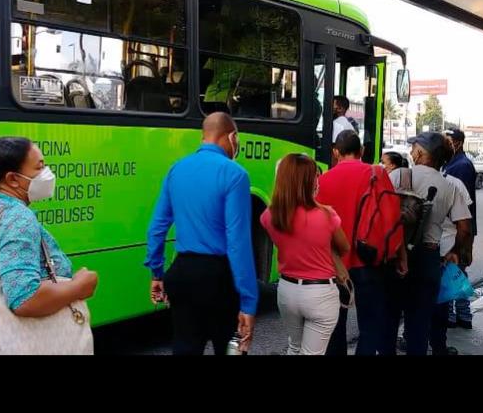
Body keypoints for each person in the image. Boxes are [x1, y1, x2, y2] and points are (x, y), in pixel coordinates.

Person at [0, 136, 98, 355]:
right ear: (13, 179)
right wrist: (80, 286)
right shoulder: (17, 218)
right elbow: (25, 299)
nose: (47, 174)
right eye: (39, 167)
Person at [145, 112, 258, 355]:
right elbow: (238, 243)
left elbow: (157, 228)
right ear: (232, 137)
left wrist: (157, 272)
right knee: (229, 347)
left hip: (183, 273)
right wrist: (248, 302)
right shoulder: (235, 174)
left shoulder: (177, 169)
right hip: (219, 277)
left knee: (185, 346)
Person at [316, 130, 404, 355]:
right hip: (369, 262)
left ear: (336, 153)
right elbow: (392, 217)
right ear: (362, 151)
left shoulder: (322, 181)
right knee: (370, 326)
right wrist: (400, 255)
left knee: (336, 327)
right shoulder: (377, 174)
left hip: (334, 266)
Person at [388, 132, 472, 356]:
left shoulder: (399, 176)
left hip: (396, 254)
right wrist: (454, 251)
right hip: (429, 258)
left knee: (390, 316)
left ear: (421, 152)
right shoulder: (450, 186)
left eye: (414, 148)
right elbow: (465, 228)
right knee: (420, 322)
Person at [260, 154, 350, 355]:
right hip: (320, 293)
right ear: (309, 181)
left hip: (287, 290)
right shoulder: (327, 215)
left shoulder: (269, 216)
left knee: (294, 346)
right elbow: (344, 248)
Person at [443, 128, 477, 329]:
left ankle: (459, 315)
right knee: (456, 273)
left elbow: (465, 207)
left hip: (458, 230)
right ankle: (461, 316)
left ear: (458, 143)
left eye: (448, 141)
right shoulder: (453, 163)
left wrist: (466, 241)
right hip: (458, 229)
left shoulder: (461, 166)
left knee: (455, 274)